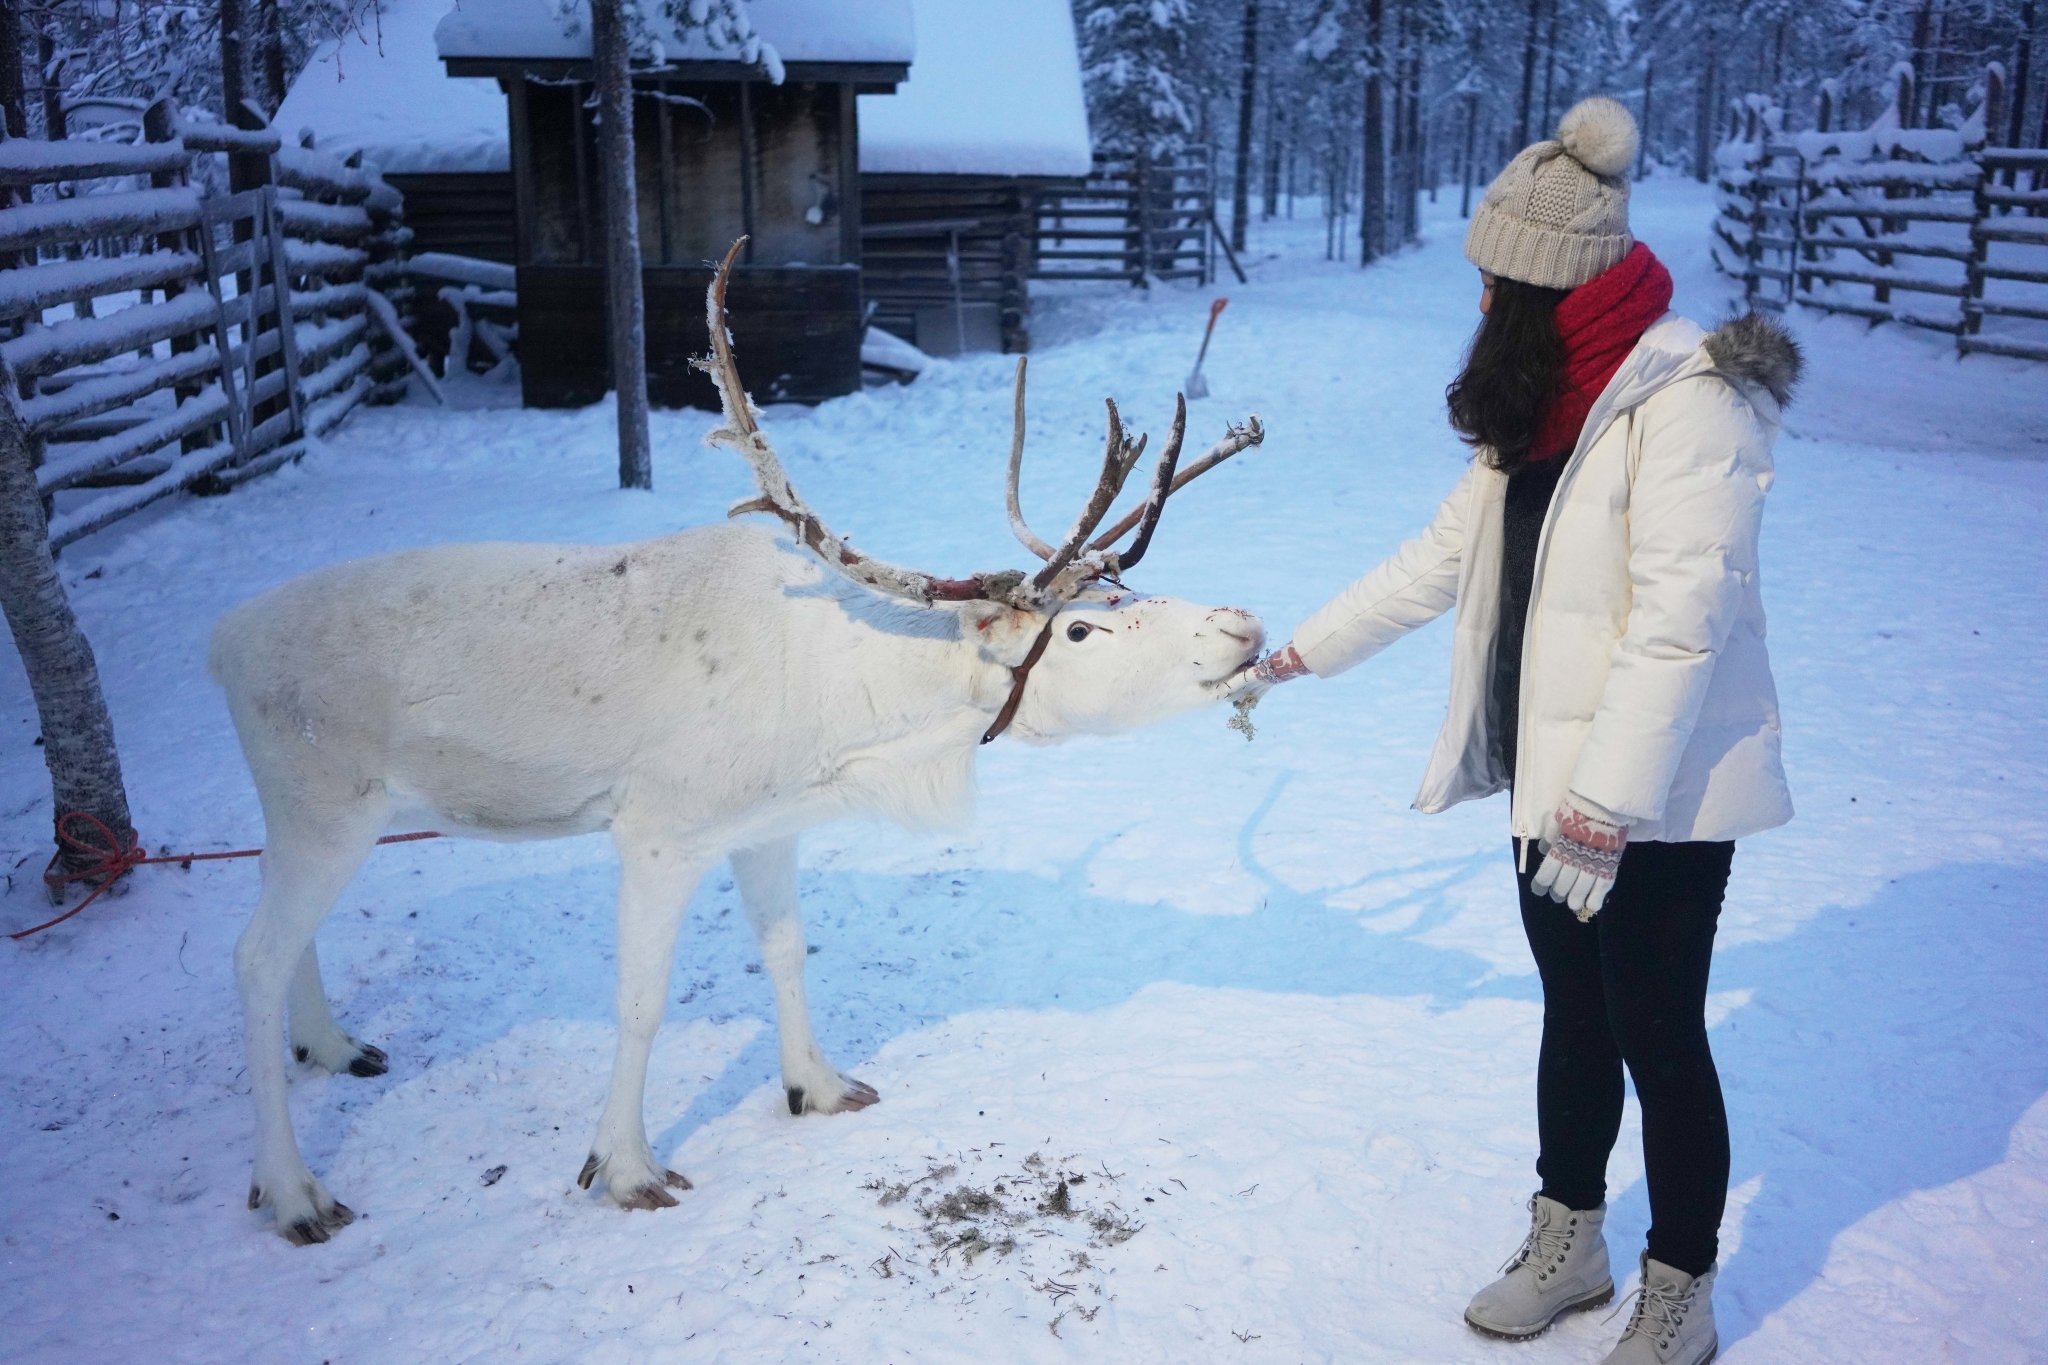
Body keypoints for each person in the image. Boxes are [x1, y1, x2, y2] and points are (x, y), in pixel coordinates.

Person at [1234, 97, 1799, 1365]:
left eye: (1496, 286)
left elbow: (1678, 626)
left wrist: (1603, 806)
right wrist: (1301, 652)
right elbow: (1437, 558)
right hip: (1550, 781)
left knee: (1656, 1028)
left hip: (1657, 793)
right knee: (1571, 1013)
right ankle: (1571, 1238)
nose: (1480, 306)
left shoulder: (1687, 400)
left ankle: (1680, 1285)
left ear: (1549, 285)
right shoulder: (1539, 404)